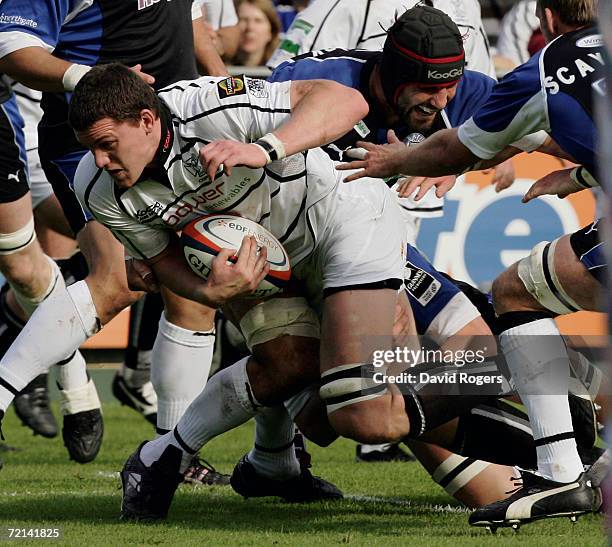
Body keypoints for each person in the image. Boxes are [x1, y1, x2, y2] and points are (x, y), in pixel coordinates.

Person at [338, 0, 604, 530]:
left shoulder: (547, 66)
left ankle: (558, 470)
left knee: (515, 293)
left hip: (368, 297)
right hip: (384, 280)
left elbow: (457, 148)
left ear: (546, 17)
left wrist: (391, 160)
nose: (441, 99)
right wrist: (574, 177)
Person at [0, 0, 228, 469]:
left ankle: (173, 456)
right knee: (114, 281)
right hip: (93, 145)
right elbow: (10, 46)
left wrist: (224, 90)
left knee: (194, 297)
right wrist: (85, 77)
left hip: (174, 136)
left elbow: (194, 25)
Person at [234, 0, 282, 66]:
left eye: (258, 21)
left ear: (271, 32)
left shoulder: (283, 71)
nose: (250, 27)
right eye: (244, 19)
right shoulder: (218, 71)